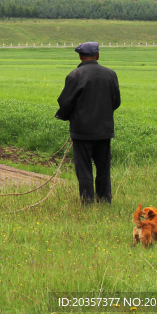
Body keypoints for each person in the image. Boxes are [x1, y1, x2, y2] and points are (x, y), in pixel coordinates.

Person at [55, 41, 121, 204]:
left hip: (82, 131)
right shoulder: (110, 74)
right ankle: (105, 200)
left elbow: (65, 102)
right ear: (98, 55)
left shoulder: (74, 75)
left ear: (80, 56)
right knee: (103, 167)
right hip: (104, 130)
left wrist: (66, 116)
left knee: (84, 168)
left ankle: (87, 202)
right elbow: (116, 101)